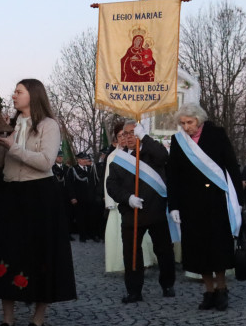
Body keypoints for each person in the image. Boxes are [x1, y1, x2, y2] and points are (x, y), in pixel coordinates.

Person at [0, 79, 76, 326]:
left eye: (19, 91)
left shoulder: (49, 125)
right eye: (14, 91)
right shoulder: (11, 124)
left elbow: (46, 161)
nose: (13, 95)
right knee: (7, 254)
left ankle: (38, 320)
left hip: (39, 194)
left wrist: (13, 146)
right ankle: (7, 320)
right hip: (10, 193)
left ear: (33, 95)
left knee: (40, 255)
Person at [166, 102, 243, 311]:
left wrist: (239, 200)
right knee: (198, 249)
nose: (186, 127)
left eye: (189, 122)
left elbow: (231, 165)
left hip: (216, 200)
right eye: (182, 123)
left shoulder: (216, 134)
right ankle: (208, 291)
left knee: (217, 247)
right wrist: (173, 205)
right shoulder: (178, 140)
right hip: (190, 203)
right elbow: (173, 175)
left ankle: (222, 289)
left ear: (198, 120)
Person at [106, 121, 176, 303]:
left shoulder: (151, 152)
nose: (129, 137)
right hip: (131, 213)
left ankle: (168, 284)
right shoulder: (118, 160)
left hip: (155, 210)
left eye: (132, 133)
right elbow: (111, 185)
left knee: (163, 250)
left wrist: (145, 137)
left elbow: (164, 157)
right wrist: (127, 198)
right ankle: (134, 290)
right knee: (131, 253)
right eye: (125, 134)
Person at [104, 121, 158, 272]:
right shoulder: (114, 156)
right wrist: (110, 202)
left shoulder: (140, 153)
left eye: (126, 135)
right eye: (120, 136)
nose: (123, 139)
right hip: (120, 202)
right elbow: (109, 181)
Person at [67, 151, 101, 242]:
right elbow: (69, 185)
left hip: (91, 197)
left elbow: (95, 182)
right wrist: (72, 197)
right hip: (79, 198)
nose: (86, 160)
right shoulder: (73, 169)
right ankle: (83, 235)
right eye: (83, 159)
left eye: (86, 159)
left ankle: (93, 234)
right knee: (81, 218)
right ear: (78, 160)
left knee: (92, 217)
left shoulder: (91, 168)